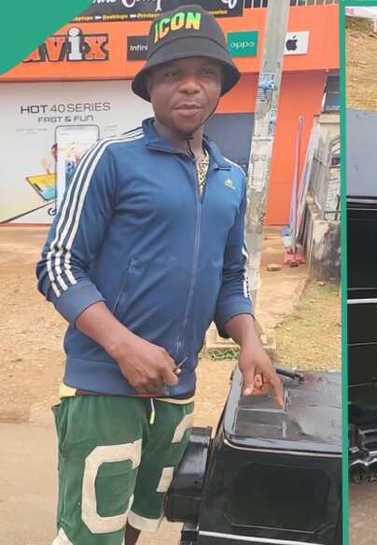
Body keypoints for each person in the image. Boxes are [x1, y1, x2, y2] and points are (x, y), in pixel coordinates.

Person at [34, 6, 284, 544]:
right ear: (149, 86)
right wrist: (123, 347)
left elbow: (230, 277)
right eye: (173, 74)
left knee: (138, 524)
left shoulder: (230, 178)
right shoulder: (110, 159)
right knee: (89, 533)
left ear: (222, 87)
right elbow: (57, 265)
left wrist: (250, 340)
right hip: (104, 387)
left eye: (206, 74)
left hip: (176, 389)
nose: (190, 87)